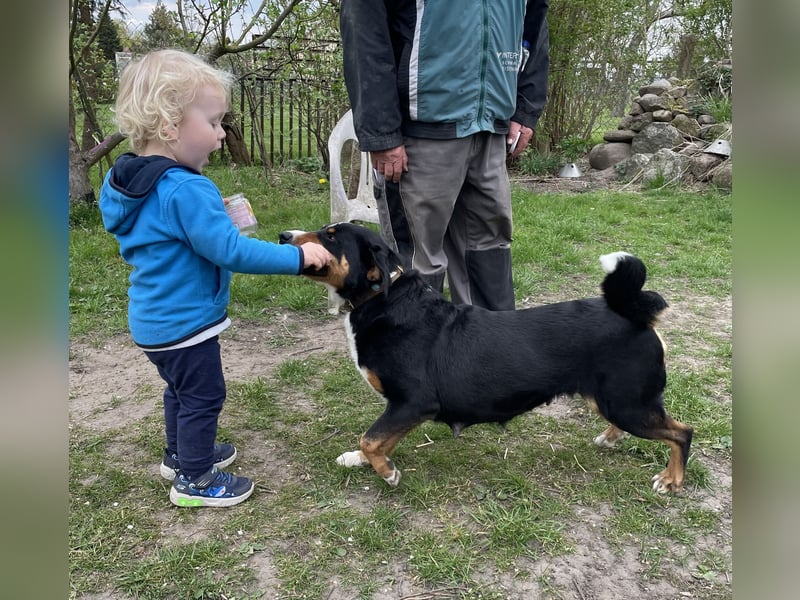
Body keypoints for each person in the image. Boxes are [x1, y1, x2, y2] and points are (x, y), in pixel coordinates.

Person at [99, 49, 331, 508]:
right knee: (204, 396)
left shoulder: (133, 180)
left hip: (153, 321)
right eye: (213, 121)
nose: (222, 134)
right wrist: (297, 257)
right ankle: (195, 481)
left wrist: (213, 217)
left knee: (181, 391)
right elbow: (231, 250)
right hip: (185, 324)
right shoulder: (186, 188)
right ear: (169, 125)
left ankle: (180, 454)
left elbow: (168, 229)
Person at [339, 1, 549, 310]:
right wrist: (382, 132)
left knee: (490, 248)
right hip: (420, 132)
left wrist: (527, 105)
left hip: (492, 127)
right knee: (418, 259)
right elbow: (364, 27)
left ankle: (491, 354)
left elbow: (533, 19)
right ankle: (414, 355)